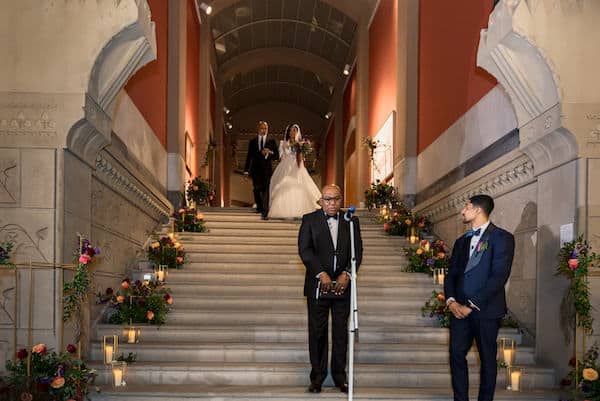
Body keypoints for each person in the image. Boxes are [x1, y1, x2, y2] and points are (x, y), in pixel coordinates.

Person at [444, 194, 515, 401]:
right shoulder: (461, 241)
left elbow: (499, 276)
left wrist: (472, 305)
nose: (462, 211)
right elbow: (452, 274)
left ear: (477, 210)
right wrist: (451, 301)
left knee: (487, 360)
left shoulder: (502, 238)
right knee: (456, 354)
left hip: (486, 311)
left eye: (466, 206)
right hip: (458, 311)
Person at [298, 184, 363, 394]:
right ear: (320, 201)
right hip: (318, 285)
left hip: (342, 286)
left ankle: (339, 377)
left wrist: (347, 273)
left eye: (335, 199)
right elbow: (304, 249)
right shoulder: (309, 220)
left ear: (341, 200)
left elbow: (358, 250)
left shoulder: (351, 221)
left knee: (341, 333)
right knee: (317, 332)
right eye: (327, 199)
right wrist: (320, 273)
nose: (332, 203)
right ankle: (317, 377)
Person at [268, 124, 321, 219]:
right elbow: (281, 156)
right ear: (288, 132)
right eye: (291, 130)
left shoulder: (301, 143)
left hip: (297, 166)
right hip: (285, 166)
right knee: (284, 187)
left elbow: (301, 158)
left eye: (294, 130)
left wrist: (301, 149)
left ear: (297, 132)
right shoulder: (282, 143)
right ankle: (284, 211)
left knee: (298, 187)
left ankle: (299, 210)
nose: (292, 132)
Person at [244, 121, 279, 220]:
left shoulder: (271, 141)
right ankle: (259, 207)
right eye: (262, 128)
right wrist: (246, 170)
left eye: (265, 129)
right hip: (255, 170)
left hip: (267, 171)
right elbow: (249, 157)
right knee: (256, 189)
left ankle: (265, 211)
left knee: (266, 191)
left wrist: (269, 152)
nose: (263, 130)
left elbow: (276, 156)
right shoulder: (253, 141)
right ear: (258, 129)